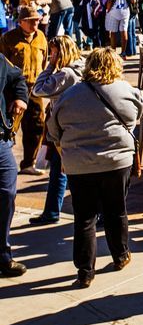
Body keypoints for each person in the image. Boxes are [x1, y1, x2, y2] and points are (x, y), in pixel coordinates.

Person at [48, 48, 143, 288]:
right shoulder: (126, 90)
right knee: (116, 210)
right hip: (116, 162)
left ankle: (85, 270)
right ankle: (121, 255)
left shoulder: (68, 96)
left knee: (84, 217)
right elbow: (137, 116)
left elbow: (53, 130)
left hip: (79, 165)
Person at [29, 35, 84, 225]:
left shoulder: (66, 74)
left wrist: (50, 66)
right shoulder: (82, 67)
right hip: (75, 126)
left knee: (65, 170)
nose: (50, 55)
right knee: (59, 169)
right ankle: (52, 211)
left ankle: (54, 211)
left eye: (53, 52)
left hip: (65, 129)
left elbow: (38, 89)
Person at [1, 6, 48, 173]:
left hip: (35, 88)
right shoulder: (8, 38)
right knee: (10, 126)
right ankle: (5, 162)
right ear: (21, 22)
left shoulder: (41, 37)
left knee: (37, 125)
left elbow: (44, 62)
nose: (35, 23)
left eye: (37, 20)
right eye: (31, 21)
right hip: (12, 90)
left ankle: (29, 163)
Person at [0, 53, 28, 276]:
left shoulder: (0, 60)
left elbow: (18, 78)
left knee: (7, 194)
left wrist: (21, 98)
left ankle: (3, 256)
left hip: (0, 140)